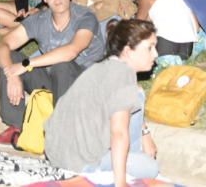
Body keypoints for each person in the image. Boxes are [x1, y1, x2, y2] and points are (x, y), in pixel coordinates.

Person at [0, 0, 105, 148]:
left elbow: (71, 52)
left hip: (83, 88)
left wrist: (26, 65)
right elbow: (1, 46)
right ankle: (17, 128)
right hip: (52, 84)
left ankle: (61, 133)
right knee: (11, 57)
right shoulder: (39, 20)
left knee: (61, 65)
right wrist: (12, 74)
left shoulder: (85, 18)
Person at [45, 19, 161, 185]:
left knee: (137, 94)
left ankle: (130, 158)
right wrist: (120, 182)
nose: (155, 54)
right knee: (151, 168)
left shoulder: (105, 67)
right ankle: (126, 167)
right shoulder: (122, 77)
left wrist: (145, 133)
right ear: (128, 51)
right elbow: (119, 133)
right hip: (77, 162)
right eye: (149, 48)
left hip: (58, 151)